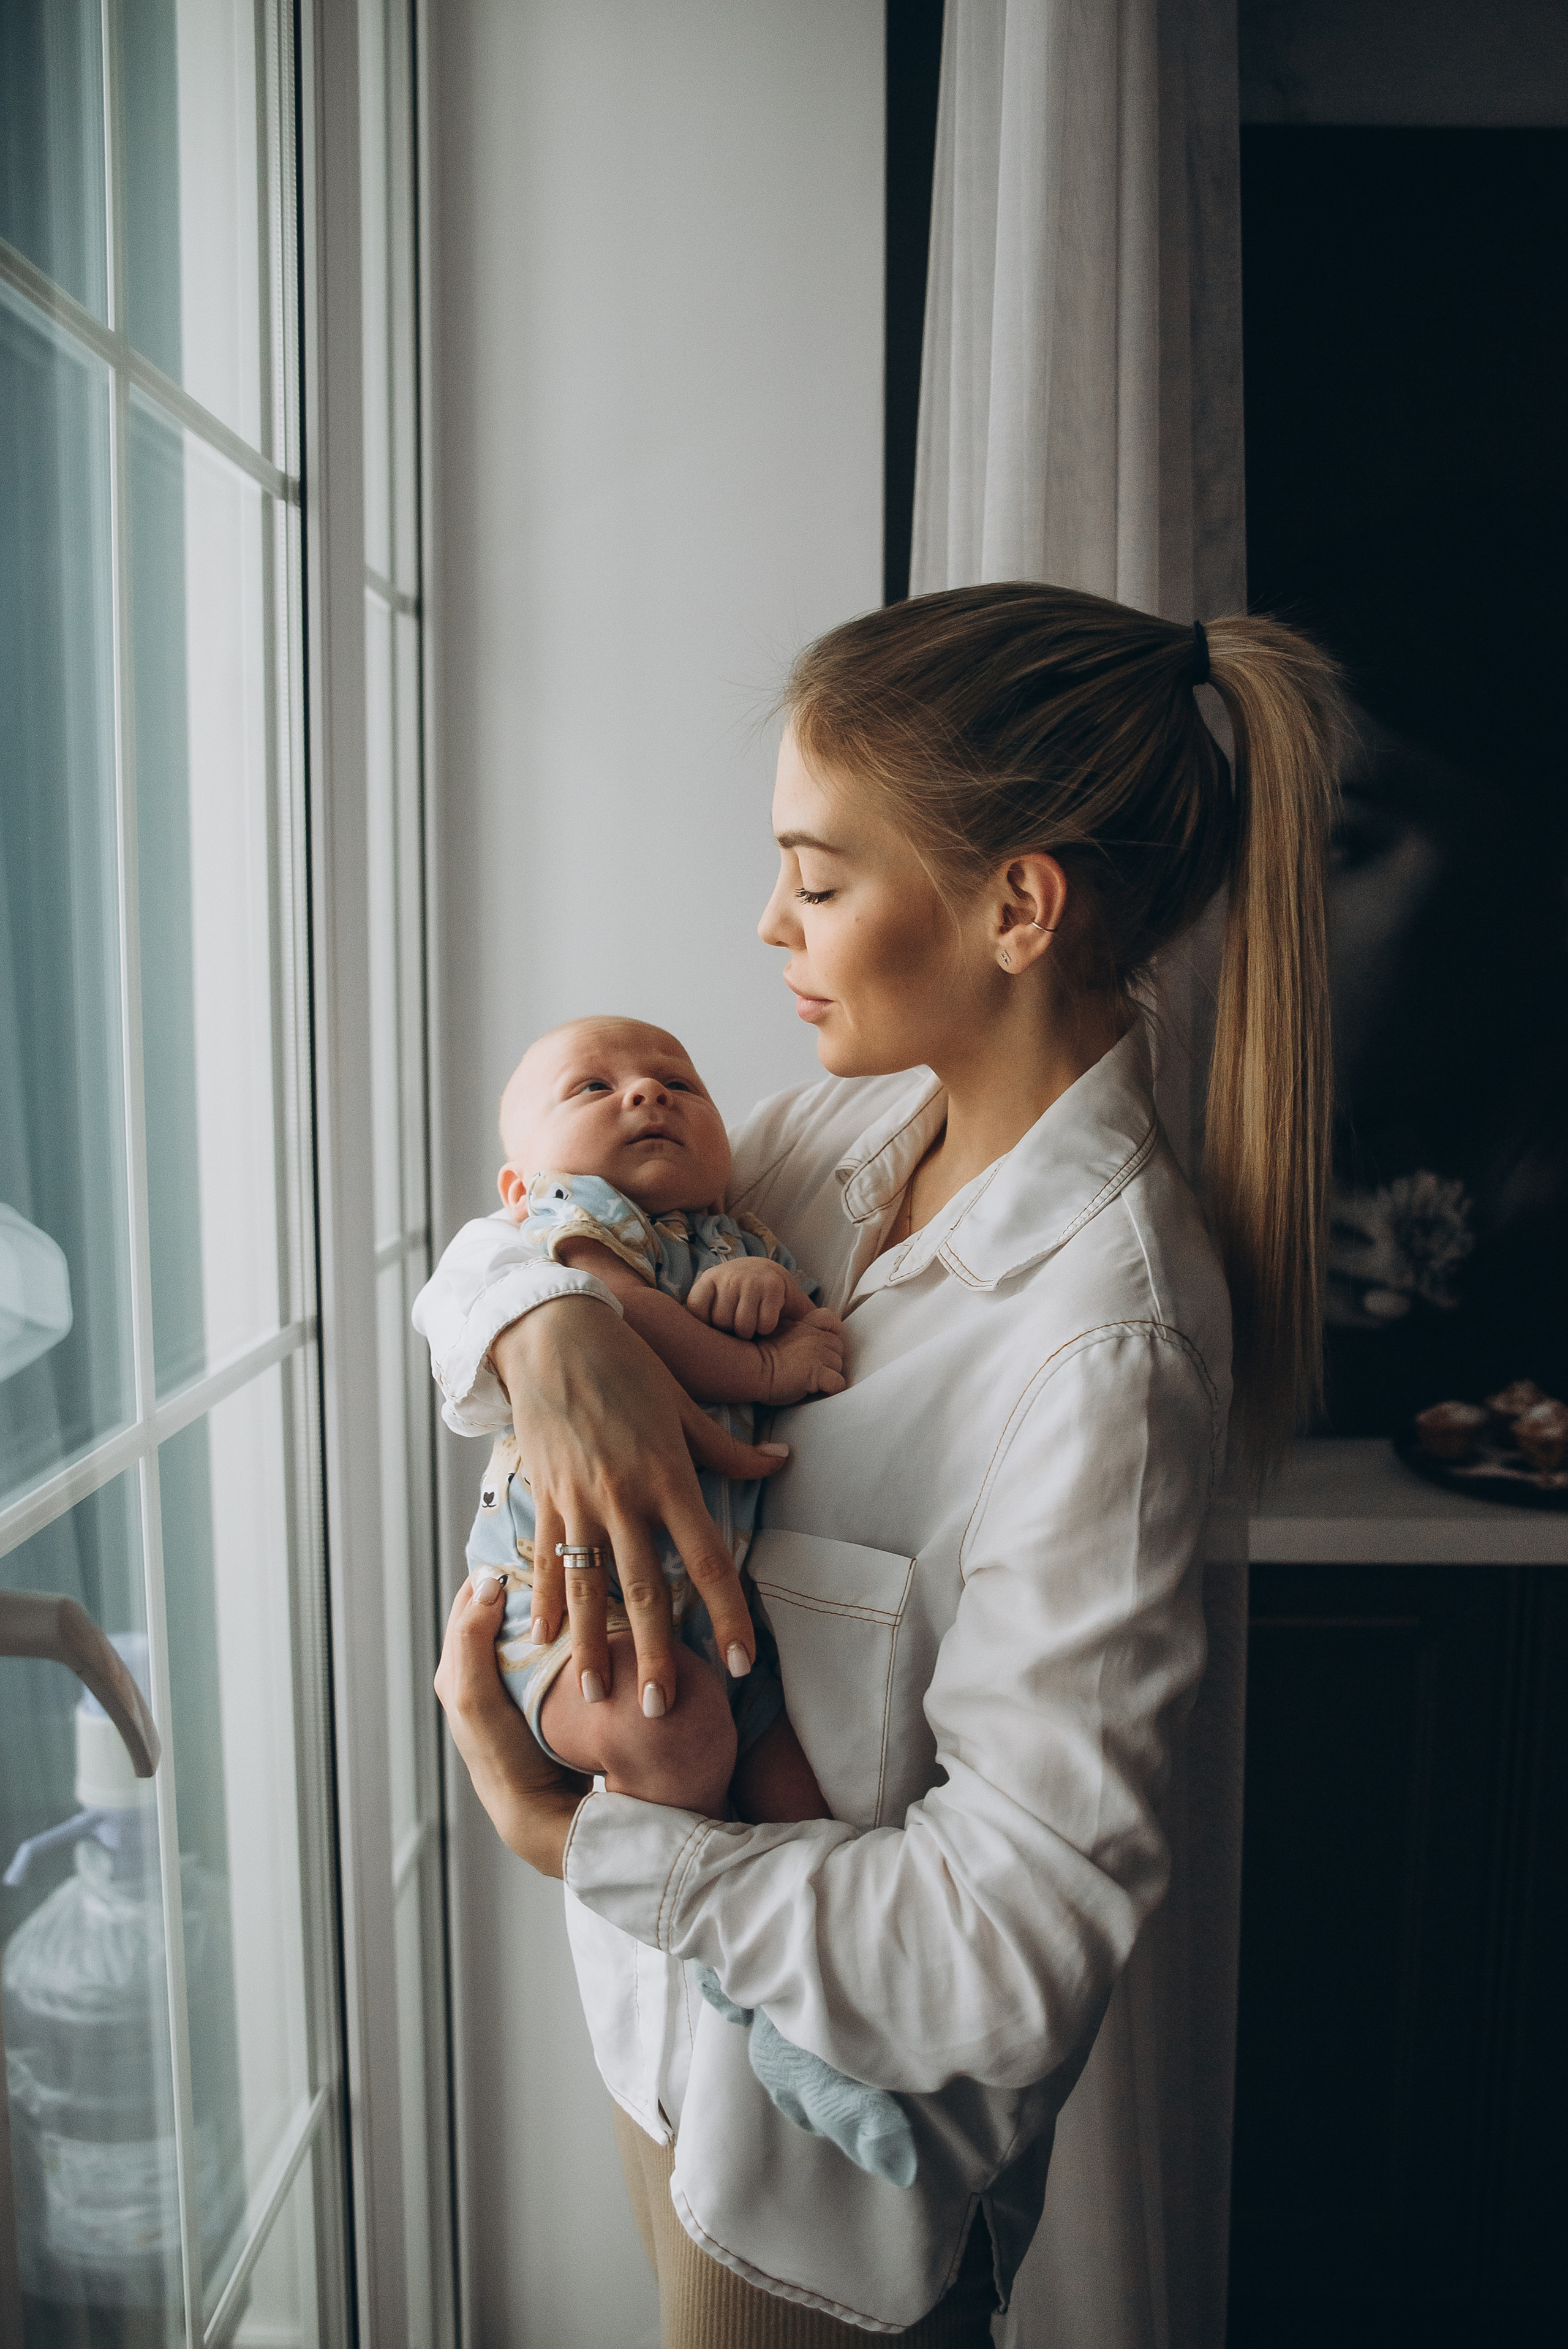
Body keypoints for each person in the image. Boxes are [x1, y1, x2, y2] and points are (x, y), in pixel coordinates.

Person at [418, 582, 1348, 2345]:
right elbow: (525, 1228)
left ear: (1020, 905)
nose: (767, 922)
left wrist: (573, 1839)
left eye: (820, 877)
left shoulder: (1108, 1348)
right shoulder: (840, 1135)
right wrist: (548, 1338)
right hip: (658, 2048)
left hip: (817, 2212)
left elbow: (1007, 1945)